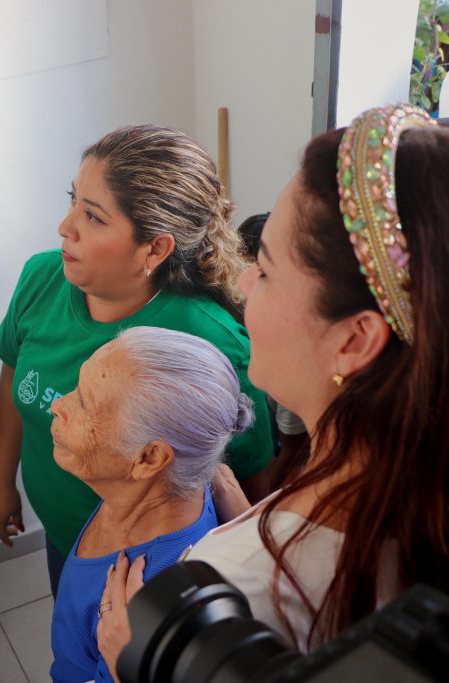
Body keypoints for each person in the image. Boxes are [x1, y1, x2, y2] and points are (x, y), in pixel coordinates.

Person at [98, 104, 449, 676]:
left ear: (355, 339)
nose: (241, 282)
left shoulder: (235, 592)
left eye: (264, 270)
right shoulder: (415, 479)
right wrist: (257, 515)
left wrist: (129, 665)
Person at [0, 125, 274, 595]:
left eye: (93, 216)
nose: (65, 226)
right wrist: (0, 481)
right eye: (73, 200)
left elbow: (250, 473)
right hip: (64, 536)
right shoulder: (42, 278)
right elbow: (11, 377)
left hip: (145, 568)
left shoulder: (209, 341)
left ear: (155, 248)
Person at [48, 326, 253, 682]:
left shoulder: (153, 607)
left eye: (84, 404)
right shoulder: (164, 484)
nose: (57, 404)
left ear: (149, 459)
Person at [236, 213, 308, 471]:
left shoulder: (292, 357)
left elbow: (293, 453)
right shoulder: (234, 322)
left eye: (262, 273)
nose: (242, 284)